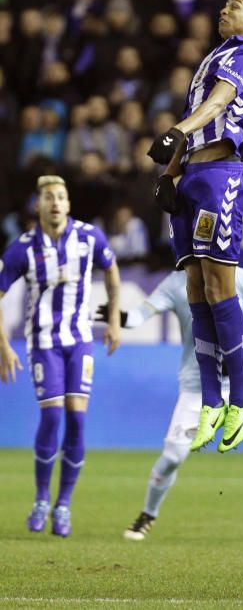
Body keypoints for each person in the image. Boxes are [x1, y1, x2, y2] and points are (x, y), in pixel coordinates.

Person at [96, 267, 243, 545]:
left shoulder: (242, 277)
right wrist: (123, 317)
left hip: (241, 382)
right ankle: (147, 515)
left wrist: (241, 354)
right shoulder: (178, 282)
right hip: (195, 386)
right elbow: (142, 313)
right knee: (172, 457)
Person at [147, 0, 243, 454]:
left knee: (221, 286)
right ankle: (211, 401)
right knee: (195, 288)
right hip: (193, 176)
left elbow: (218, 104)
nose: (225, 8)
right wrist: (170, 171)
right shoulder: (216, 54)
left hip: (221, 176)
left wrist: (178, 133)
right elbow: (192, 120)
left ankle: (242, 399)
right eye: (225, 3)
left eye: (236, 5)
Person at [0, 175, 121, 537]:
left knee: (77, 421)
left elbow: (112, 270)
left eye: (61, 197)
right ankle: (41, 498)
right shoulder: (22, 248)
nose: (55, 202)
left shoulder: (89, 238)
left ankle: (63, 504)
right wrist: (4, 344)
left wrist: (113, 318)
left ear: (69, 204)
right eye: (48, 197)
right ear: (37, 206)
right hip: (43, 344)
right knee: (52, 418)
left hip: (80, 340)